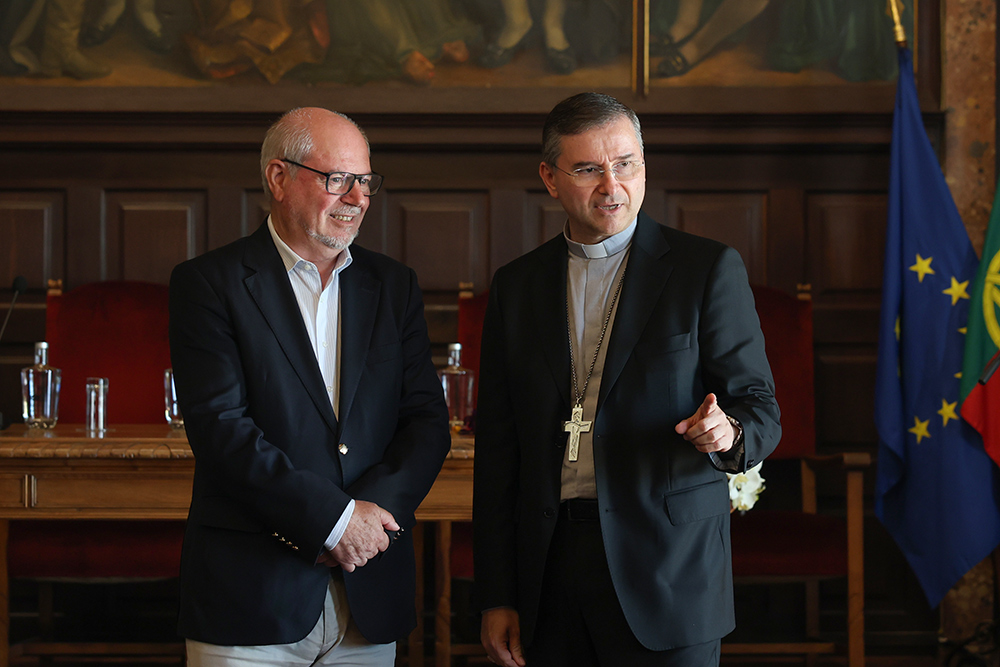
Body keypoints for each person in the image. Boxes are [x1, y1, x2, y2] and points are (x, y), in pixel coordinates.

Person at [473, 92, 781, 666]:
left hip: (669, 571)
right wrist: (497, 594)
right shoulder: (517, 287)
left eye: (626, 164)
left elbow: (760, 410)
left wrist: (727, 433)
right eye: (588, 169)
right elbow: (498, 450)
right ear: (550, 177)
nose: (612, 186)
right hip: (550, 568)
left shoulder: (705, 269)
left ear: (644, 165)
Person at [169, 107, 451, 665]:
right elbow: (221, 429)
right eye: (338, 179)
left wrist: (367, 527)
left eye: (365, 181)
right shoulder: (209, 283)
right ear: (278, 177)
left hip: (370, 593)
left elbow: (425, 421)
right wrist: (331, 522)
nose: (358, 197)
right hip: (251, 595)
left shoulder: (394, 286)